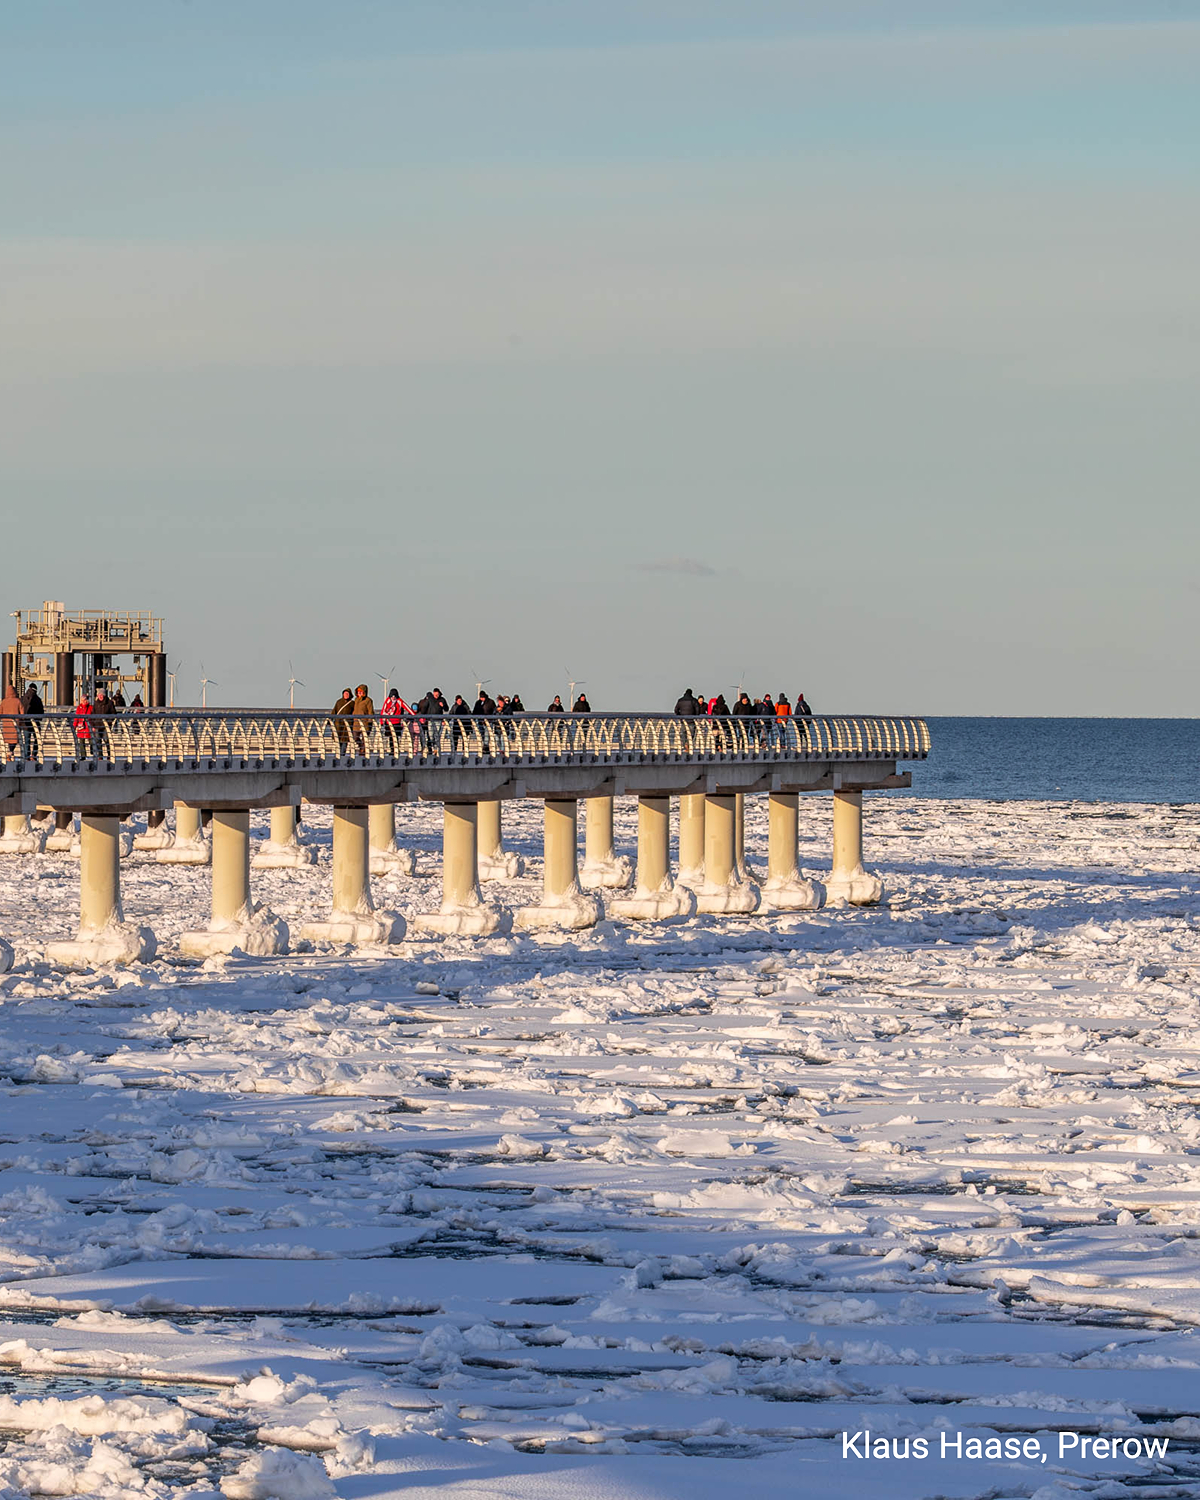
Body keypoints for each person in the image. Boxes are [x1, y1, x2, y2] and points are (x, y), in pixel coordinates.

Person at [20, 681, 44, 761]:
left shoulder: (23, 698)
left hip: (25, 723)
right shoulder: (37, 699)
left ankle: (26, 756)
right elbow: (41, 712)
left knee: (27, 740)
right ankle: (33, 755)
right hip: (35, 722)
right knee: (37, 739)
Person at [350, 683, 375, 753]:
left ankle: (363, 752)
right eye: (358, 691)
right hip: (356, 722)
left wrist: (370, 721)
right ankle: (361, 746)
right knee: (355, 737)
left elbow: (370, 711)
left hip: (365, 722)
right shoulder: (356, 700)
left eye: (361, 691)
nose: (359, 693)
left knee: (365, 738)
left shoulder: (368, 700)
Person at [0, 680, 20, 764]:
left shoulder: (3, 702)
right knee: (14, 739)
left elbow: (0, 712)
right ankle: (10, 753)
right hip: (15, 723)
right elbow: (22, 712)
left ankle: (9, 753)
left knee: (9, 739)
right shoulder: (18, 701)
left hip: (6, 724)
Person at [331, 687, 354, 751]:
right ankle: (338, 754)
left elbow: (354, 713)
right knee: (338, 740)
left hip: (347, 725)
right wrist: (329, 720)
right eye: (345, 694)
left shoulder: (352, 703)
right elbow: (334, 711)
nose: (346, 695)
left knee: (345, 741)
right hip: (338, 724)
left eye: (347, 694)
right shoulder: (339, 702)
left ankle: (342, 755)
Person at [73, 692, 93, 757]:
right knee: (81, 742)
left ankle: (92, 751)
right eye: (82, 700)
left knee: (91, 741)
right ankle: (83, 755)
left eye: (84, 700)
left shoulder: (90, 708)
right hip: (81, 727)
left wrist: (93, 726)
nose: (83, 701)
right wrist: (74, 726)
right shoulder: (79, 708)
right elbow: (76, 718)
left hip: (88, 727)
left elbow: (93, 717)